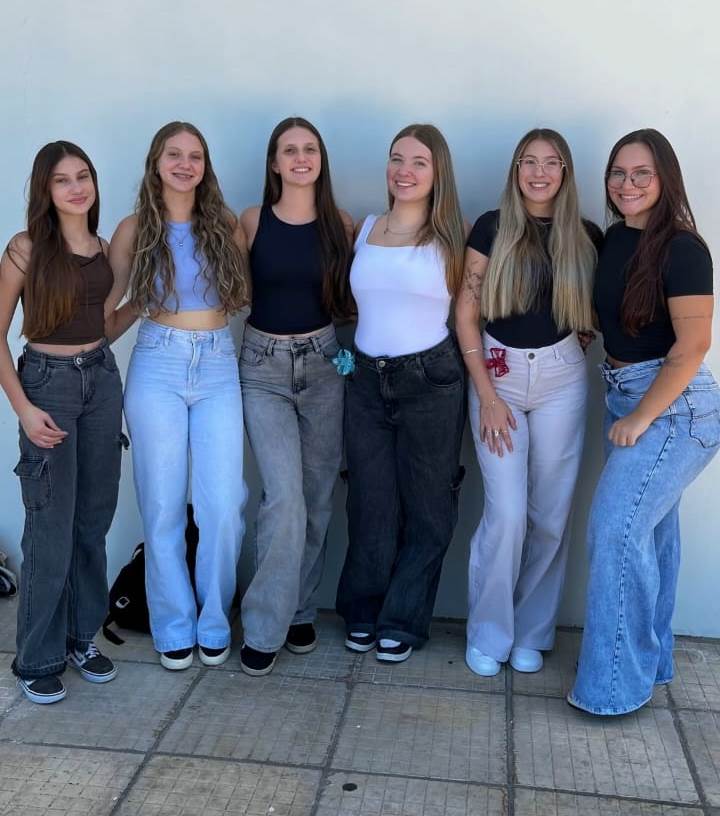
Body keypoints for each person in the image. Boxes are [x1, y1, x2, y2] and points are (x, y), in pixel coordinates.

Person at [569, 129, 719, 715]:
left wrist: (641, 417)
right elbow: (619, 315)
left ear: (665, 180)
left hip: (674, 408)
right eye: (618, 172)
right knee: (652, 535)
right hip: (626, 393)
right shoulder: (615, 239)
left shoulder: (684, 249)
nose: (626, 184)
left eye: (641, 174)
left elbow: (693, 345)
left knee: (615, 530)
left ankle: (612, 689)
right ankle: (651, 664)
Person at [456, 128, 601, 677]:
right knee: (508, 514)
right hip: (498, 378)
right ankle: (488, 632)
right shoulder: (492, 227)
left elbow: (597, 307)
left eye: (552, 162)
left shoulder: (585, 236)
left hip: (562, 380)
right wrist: (487, 395)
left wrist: (579, 340)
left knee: (550, 515)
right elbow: (466, 314)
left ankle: (532, 631)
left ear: (565, 173)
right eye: (529, 161)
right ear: (515, 169)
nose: (540, 173)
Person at [112, 122, 249, 671]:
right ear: (156, 161)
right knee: (162, 503)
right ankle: (173, 624)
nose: (185, 164)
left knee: (223, 504)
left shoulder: (225, 224)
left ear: (205, 166)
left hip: (217, 363)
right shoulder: (133, 229)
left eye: (195, 156)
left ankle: (214, 620)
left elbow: (246, 295)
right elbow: (111, 307)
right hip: (158, 362)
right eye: (174, 154)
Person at [335, 123, 467, 663]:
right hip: (366, 380)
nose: (404, 171)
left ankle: (403, 619)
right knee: (370, 501)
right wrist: (343, 361)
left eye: (418, 162)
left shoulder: (454, 238)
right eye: (397, 159)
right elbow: (347, 306)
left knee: (429, 505)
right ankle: (363, 611)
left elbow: (475, 312)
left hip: (431, 381)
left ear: (438, 173)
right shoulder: (364, 228)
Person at [0, 142, 125, 704]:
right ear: (44, 190)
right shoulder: (25, 249)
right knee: (50, 527)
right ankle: (36, 658)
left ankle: (81, 638)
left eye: (84, 176)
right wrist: (24, 409)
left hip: (101, 379)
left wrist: (144, 304)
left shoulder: (102, 248)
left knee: (92, 521)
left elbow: (101, 328)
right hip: (47, 385)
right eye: (62, 180)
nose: (77, 188)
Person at [237, 117, 353, 676]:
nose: (301, 158)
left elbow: (353, 307)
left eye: (310, 149)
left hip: (325, 363)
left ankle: (301, 608)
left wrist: (346, 365)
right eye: (290, 150)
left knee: (317, 496)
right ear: (274, 162)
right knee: (283, 497)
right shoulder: (252, 221)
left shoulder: (341, 225)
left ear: (320, 160)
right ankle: (264, 626)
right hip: (262, 368)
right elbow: (229, 291)